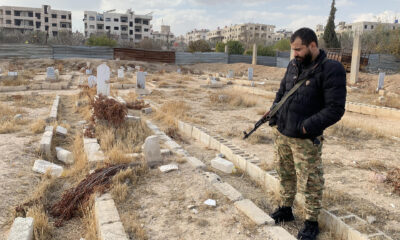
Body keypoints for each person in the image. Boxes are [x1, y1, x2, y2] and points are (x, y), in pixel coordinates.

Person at [269, 28, 346, 240]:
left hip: (305, 139)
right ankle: (286, 208)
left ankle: (311, 222)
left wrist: (306, 127)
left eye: (298, 49)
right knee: (285, 174)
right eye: (293, 49)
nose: (295, 54)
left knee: (310, 181)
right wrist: (274, 113)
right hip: (283, 133)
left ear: (313, 45)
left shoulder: (331, 69)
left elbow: (335, 109)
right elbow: (282, 92)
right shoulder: (294, 64)